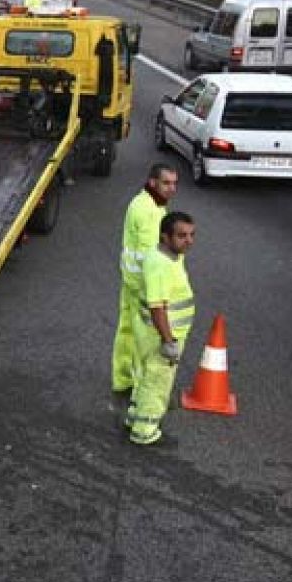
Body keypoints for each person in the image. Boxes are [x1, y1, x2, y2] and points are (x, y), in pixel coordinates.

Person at [127, 211, 197, 446]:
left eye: (191, 235)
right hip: (160, 334)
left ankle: (135, 417)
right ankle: (145, 431)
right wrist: (169, 341)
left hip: (150, 331)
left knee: (146, 376)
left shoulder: (168, 256)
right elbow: (158, 308)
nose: (189, 241)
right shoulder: (160, 265)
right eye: (182, 236)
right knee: (158, 381)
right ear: (165, 237)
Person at [113, 164, 178, 395]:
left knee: (127, 332)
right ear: (152, 182)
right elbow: (151, 257)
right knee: (145, 342)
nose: (172, 189)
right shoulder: (150, 213)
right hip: (143, 286)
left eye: (174, 183)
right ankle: (141, 389)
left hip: (131, 280)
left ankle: (122, 379)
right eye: (166, 183)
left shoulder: (142, 202)